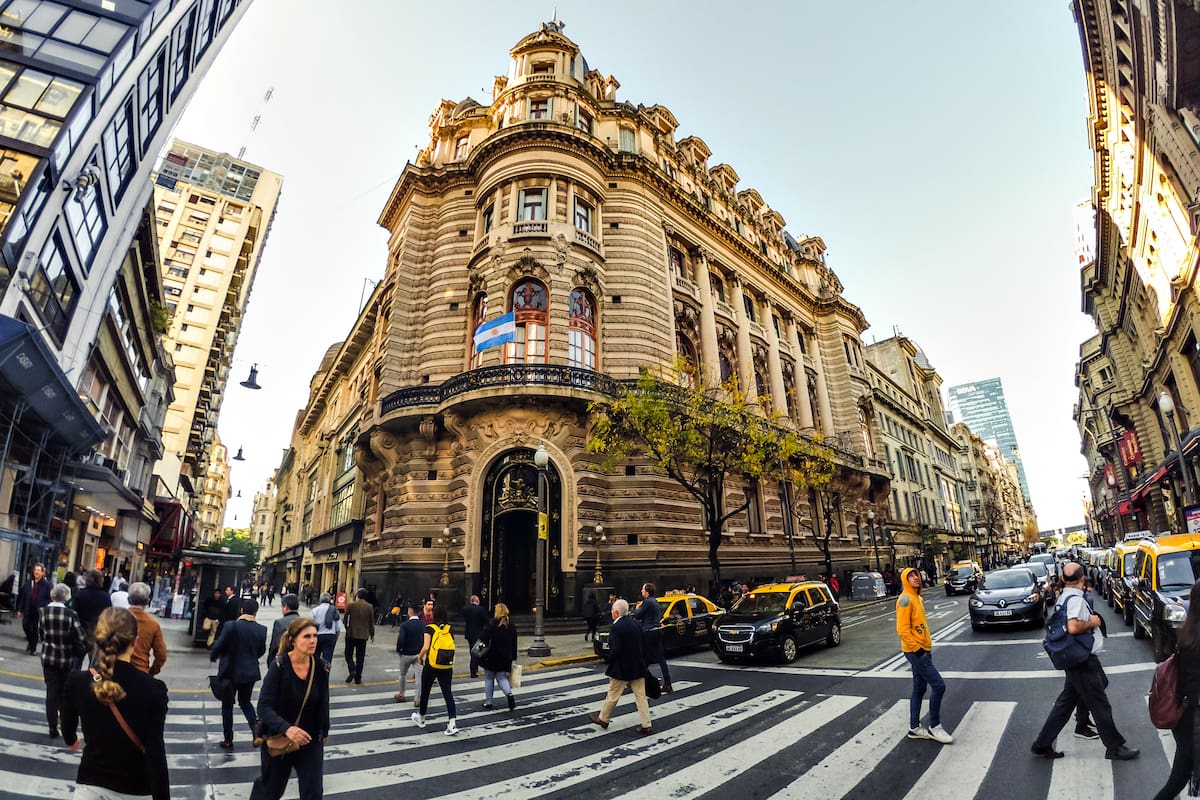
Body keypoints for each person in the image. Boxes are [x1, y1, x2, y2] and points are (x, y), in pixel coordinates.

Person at [1030, 562, 1139, 760]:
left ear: (1063, 579)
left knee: (1067, 702)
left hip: (1076, 658)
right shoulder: (1075, 600)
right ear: (1082, 578)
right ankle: (1114, 747)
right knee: (1099, 703)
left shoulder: (1064, 596)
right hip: (1082, 659)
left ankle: (1043, 743)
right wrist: (1093, 622)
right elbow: (1073, 627)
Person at [61, 607, 169, 800]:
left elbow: (67, 724)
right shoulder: (154, 689)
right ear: (135, 641)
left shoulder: (77, 681)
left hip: (92, 783)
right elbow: (155, 753)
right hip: (136, 787)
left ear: (98, 640)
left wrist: (71, 740)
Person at [250, 617, 330, 800]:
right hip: (279, 736)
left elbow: (323, 701)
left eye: (315, 636)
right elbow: (264, 706)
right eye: (307, 636)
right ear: (293, 640)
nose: (313, 641)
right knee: (270, 790)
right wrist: (287, 728)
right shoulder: (280, 665)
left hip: (310, 739)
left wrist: (324, 730)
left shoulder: (320, 667)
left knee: (313, 792)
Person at [1153, 580, 1200, 800]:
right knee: (1176, 781)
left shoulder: (1189, 633)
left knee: (1176, 780)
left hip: (1186, 722)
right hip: (1193, 723)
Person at [896, 566, 954, 744]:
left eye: (916, 574)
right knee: (939, 685)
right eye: (911, 576)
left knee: (919, 688)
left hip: (922, 649)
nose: (916, 577)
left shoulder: (917, 597)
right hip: (916, 651)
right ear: (905, 580)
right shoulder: (905, 599)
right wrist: (918, 650)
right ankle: (935, 726)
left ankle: (914, 728)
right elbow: (902, 629)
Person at [588, 598, 652, 735]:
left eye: (612, 610)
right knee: (641, 696)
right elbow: (644, 645)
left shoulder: (616, 627)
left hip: (621, 668)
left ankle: (603, 718)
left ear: (616, 613)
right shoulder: (636, 624)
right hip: (637, 666)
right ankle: (646, 724)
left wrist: (610, 661)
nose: (611, 612)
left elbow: (616, 649)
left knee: (613, 694)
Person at [210, 597, 268, 749]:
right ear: (255, 612)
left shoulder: (231, 626)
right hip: (250, 672)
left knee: (227, 705)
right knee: (245, 702)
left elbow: (219, 644)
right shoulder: (261, 629)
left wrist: (214, 655)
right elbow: (261, 650)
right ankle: (256, 730)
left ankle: (228, 739)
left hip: (230, 671)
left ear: (242, 610)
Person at [38, 582, 86, 738]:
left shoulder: (43, 611)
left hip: (49, 657)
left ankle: (52, 726)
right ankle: (65, 724)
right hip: (66, 658)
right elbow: (81, 636)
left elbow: (41, 634)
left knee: (51, 692)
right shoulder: (71, 614)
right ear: (66, 596)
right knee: (64, 693)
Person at [412, 605, 459, 735]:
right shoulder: (450, 629)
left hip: (432, 665)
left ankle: (421, 718)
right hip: (446, 665)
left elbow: (426, 647)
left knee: (425, 691)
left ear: (434, 615)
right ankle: (452, 723)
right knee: (447, 693)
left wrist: (419, 657)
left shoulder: (430, 628)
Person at [478, 602, 518, 711]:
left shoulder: (492, 624)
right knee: (502, 677)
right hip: (505, 656)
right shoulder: (511, 625)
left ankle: (489, 702)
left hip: (491, 655)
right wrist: (513, 657)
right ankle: (509, 694)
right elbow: (514, 643)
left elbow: (482, 637)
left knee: (489, 678)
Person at [633, 582, 672, 694]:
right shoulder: (655, 601)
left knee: (642, 657)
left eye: (643, 589)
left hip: (648, 632)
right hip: (657, 630)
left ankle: (638, 681)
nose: (641, 591)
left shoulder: (647, 602)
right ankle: (667, 683)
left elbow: (637, 615)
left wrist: (637, 608)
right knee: (659, 659)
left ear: (647, 592)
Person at [127, 582, 167, 675]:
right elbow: (161, 655)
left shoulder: (117, 619)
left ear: (128, 599)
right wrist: (152, 672)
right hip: (140, 670)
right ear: (148, 601)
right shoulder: (153, 624)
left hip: (116, 671)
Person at [393, 604, 424, 706]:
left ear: (410, 611)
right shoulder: (423, 625)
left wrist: (399, 650)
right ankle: (417, 699)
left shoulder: (404, 625)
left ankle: (401, 694)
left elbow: (401, 639)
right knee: (419, 677)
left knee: (402, 674)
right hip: (419, 654)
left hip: (406, 653)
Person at [343, 588, 375, 684]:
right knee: (360, 657)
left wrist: (347, 628)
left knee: (348, 654)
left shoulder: (351, 605)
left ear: (357, 595)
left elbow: (345, 619)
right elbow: (371, 622)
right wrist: (372, 634)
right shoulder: (369, 607)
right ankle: (358, 678)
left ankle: (352, 669)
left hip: (351, 634)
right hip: (363, 635)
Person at [19, 562, 52, 654]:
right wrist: (19, 609)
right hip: (28, 608)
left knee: (34, 629)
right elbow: (23, 596)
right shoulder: (29, 582)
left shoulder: (47, 585)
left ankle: (33, 648)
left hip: (39, 610)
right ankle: (31, 642)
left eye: (38, 570)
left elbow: (50, 598)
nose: (36, 572)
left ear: (42, 572)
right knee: (25, 626)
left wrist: (44, 606)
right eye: (35, 570)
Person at [73, 569, 111, 645]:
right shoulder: (106, 597)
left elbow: (74, 612)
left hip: (81, 630)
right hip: (97, 630)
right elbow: (108, 615)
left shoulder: (80, 594)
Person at [311, 592, 343, 667]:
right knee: (327, 660)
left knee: (315, 657)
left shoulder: (315, 610)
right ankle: (326, 673)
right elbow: (338, 628)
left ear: (320, 600)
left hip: (317, 636)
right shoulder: (334, 610)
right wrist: (335, 639)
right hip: (330, 636)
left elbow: (310, 625)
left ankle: (315, 672)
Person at [460, 594, 489, 678]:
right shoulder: (481, 610)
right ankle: (473, 671)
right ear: (477, 601)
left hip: (469, 633)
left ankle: (475, 669)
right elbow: (486, 621)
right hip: (478, 633)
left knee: (472, 651)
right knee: (476, 653)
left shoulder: (465, 609)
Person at [269, 593, 301, 660]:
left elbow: (275, 645)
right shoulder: (303, 622)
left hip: (285, 658)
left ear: (286, 607)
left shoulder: (280, 623)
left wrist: (271, 661)